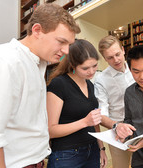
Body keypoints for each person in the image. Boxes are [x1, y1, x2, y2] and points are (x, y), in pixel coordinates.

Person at [0, 3, 80, 168]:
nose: (66, 51)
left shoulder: (39, 63)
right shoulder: (7, 61)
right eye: (61, 42)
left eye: (69, 45)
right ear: (37, 30)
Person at [46, 39, 108, 168]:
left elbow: (94, 121)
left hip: (92, 150)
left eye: (95, 66)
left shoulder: (90, 84)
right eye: (85, 68)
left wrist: (101, 148)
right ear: (73, 65)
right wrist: (84, 122)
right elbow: (51, 130)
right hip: (67, 154)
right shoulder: (59, 84)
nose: (91, 71)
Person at [94, 35, 135, 168]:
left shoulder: (136, 68)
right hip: (118, 134)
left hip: (142, 128)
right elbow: (102, 115)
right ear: (105, 59)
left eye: (117, 54)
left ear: (123, 50)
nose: (116, 60)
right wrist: (117, 126)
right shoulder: (101, 80)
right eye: (110, 57)